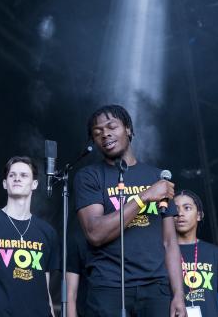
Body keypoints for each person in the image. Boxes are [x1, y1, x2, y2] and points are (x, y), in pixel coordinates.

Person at [74, 104, 186, 317]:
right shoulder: (89, 176)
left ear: (128, 129)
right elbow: (95, 233)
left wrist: (178, 295)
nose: (105, 134)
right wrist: (144, 196)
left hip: (156, 288)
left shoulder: (157, 178)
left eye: (111, 127)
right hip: (108, 287)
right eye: (97, 133)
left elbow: (170, 242)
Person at [0, 156, 59, 317]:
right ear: (5, 183)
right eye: (12, 175)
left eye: (24, 175)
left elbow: (45, 288)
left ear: (35, 184)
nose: (17, 178)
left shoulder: (47, 232)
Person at [173, 190, 218, 317]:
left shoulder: (214, 253)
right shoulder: (162, 253)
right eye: (175, 209)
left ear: (199, 215)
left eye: (187, 208)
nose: (180, 213)